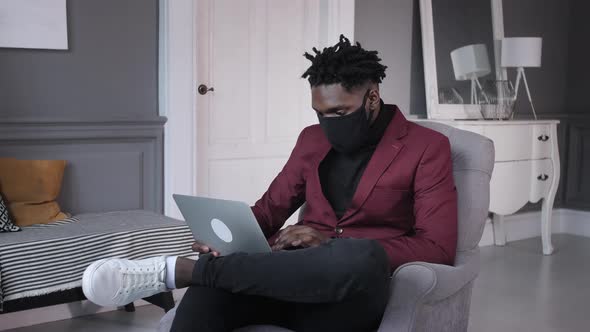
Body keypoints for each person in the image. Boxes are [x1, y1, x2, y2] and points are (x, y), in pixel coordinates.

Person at [82, 35, 458, 332]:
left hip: (350, 295)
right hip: (285, 282)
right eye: (320, 113)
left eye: (339, 112)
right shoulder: (312, 140)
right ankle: (196, 272)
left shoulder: (426, 148)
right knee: (214, 289)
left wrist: (333, 243)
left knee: (362, 255)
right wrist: (227, 238)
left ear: (372, 97)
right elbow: (267, 212)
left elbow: (437, 247)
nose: (328, 123)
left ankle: (175, 272)